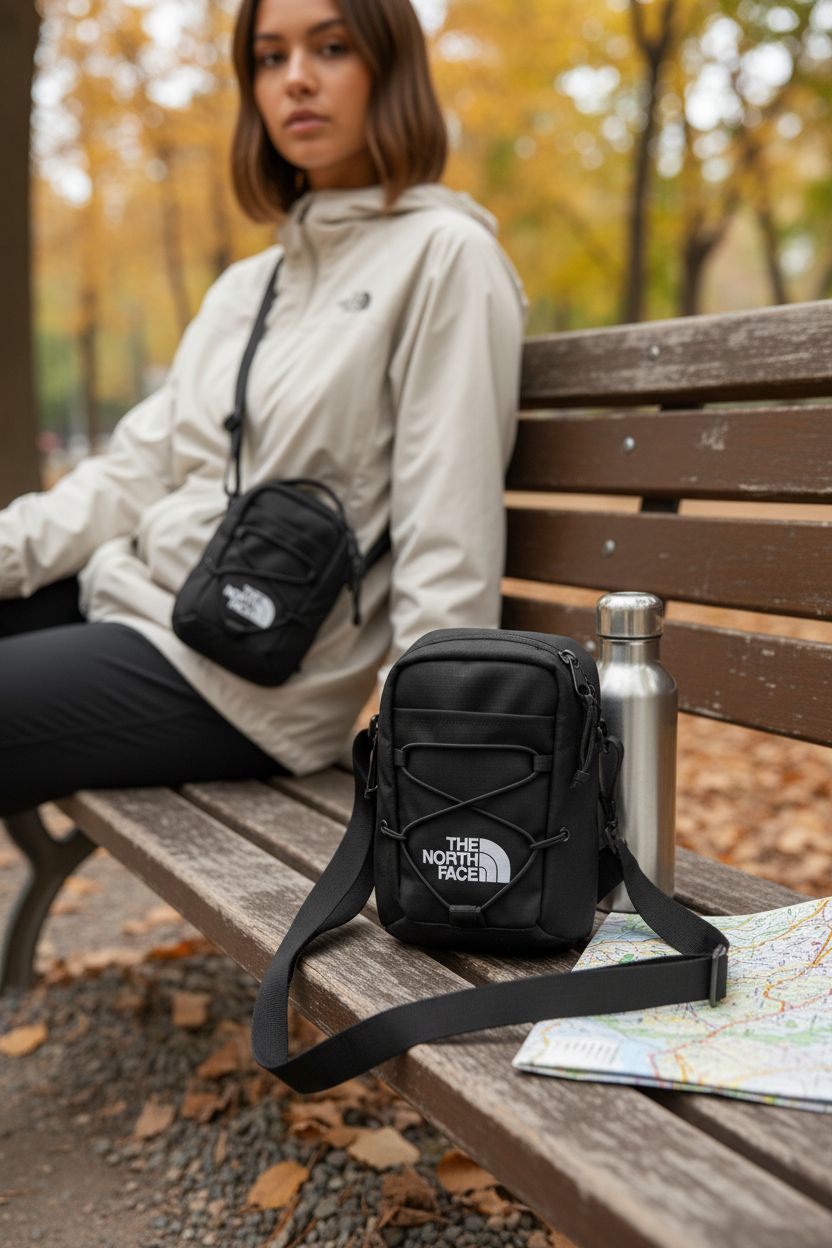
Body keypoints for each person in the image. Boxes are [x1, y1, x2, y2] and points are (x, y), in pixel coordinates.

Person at [0, 0, 527, 818]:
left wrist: (431, 759)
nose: (297, 80)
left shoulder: (445, 259)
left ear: (389, 67)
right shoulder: (248, 287)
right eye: (271, 58)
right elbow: (133, 471)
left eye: (331, 48)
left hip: (247, 679)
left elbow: (447, 534)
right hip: (136, 598)